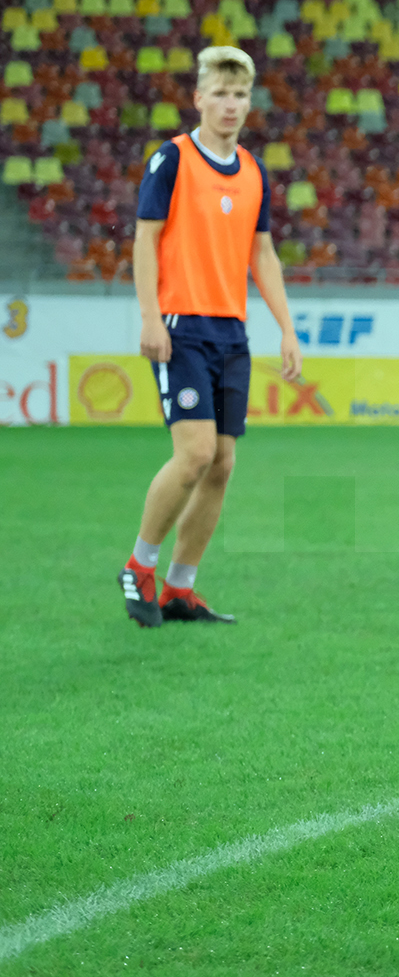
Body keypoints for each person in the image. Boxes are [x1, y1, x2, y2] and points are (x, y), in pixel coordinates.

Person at [118, 46, 302, 626]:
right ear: (198, 98)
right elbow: (146, 239)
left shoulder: (251, 170)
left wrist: (287, 326)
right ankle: (139, 565)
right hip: (180, 324)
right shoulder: (170, 160)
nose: (230, 104)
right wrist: (149, 316)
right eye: (220, 94)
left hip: (231, 331)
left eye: (240, 95)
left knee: (222, 463)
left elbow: (262, 253)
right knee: (195, 452)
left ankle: (180, 588)